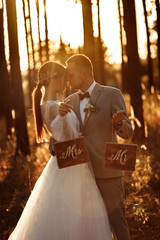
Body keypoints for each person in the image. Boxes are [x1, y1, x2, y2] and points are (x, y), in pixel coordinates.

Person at [8, 61, 112, 240]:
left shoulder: (49, 105)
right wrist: (65, 117)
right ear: (55, 80)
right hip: (72, 165)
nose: (67, 83)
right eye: (65, 78)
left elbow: (59, 135)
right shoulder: (53, 107)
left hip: (68, 162)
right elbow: (68, 136)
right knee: (75, 212)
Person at [54, 54, 133, 240]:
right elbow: (63, 130)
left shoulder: (112, 94)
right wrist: (54, 146)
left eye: (71, 74)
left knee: (117, 222)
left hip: (108, 172)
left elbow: (127, 132)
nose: (67, 79)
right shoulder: (70, 100)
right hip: (80, 176)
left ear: (84, 73)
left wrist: (118, 124)